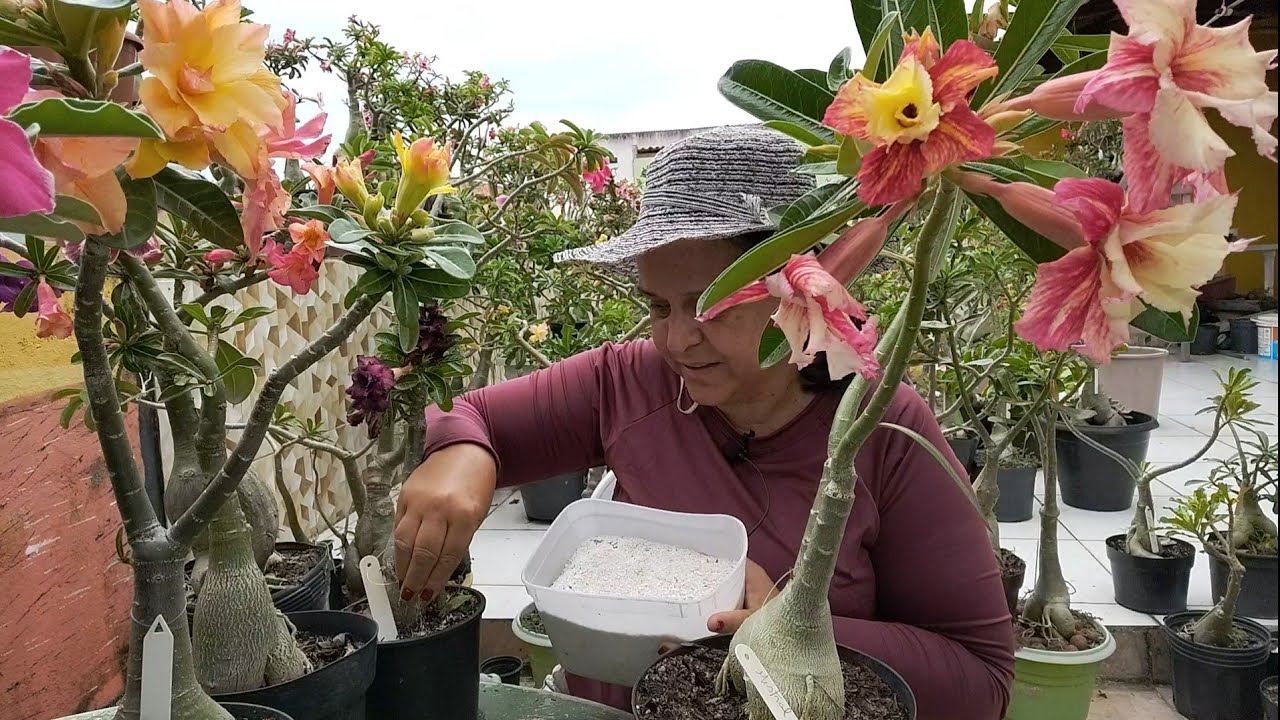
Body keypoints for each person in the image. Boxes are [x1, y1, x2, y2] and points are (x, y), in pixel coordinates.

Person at [393, 126, 1015, 719]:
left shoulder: (883, 428)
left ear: (802, 290)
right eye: (659, 306)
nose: (679, 339)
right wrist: (462, 457)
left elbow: (980, 681)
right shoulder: (629, 382)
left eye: (715, 302)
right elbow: (472, 418)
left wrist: (799, 633)